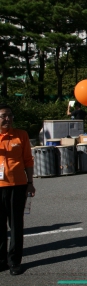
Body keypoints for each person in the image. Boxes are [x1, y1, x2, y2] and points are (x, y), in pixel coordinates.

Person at [0, 104, 35, 276]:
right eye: (3, 116)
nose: (8, 119)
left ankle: (14, 261)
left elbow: (28, 160)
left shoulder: (21, 135)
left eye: (10, 115)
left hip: (18, 185)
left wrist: (30, 182)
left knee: (15, 224)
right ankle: (1, 260)